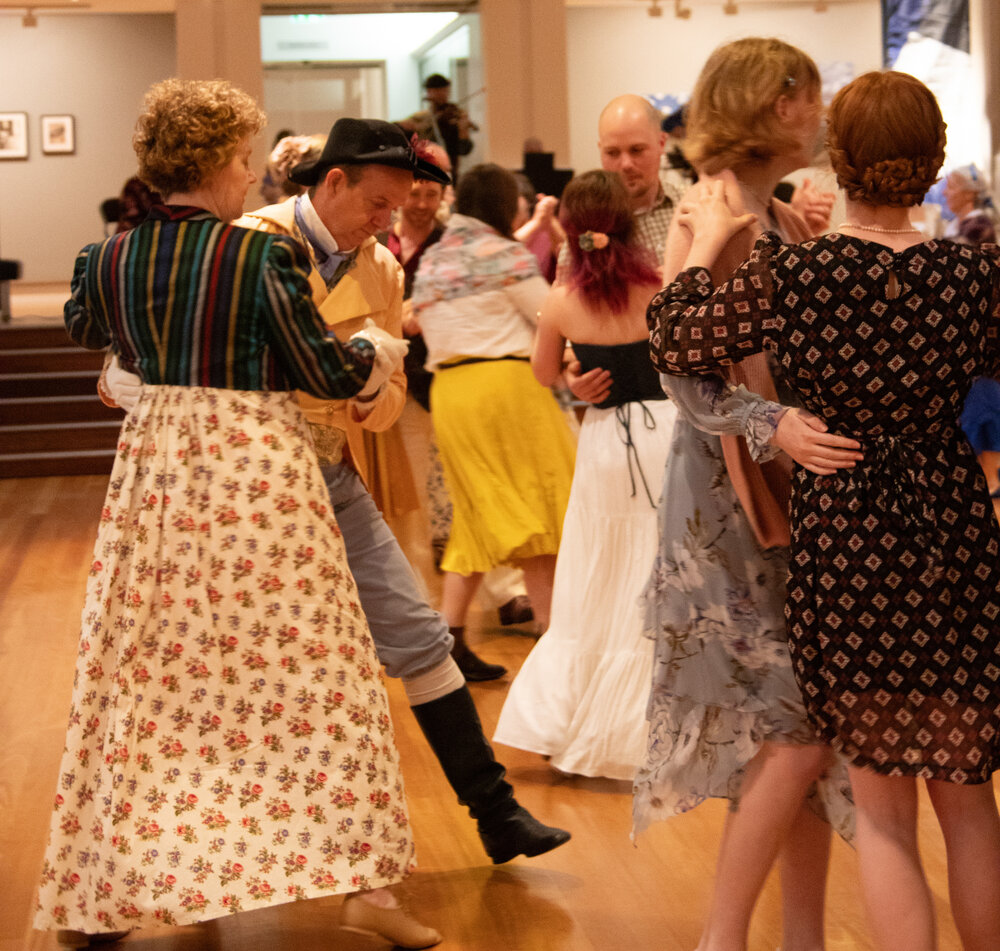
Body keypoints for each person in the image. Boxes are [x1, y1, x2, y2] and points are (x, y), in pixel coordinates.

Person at [33, 79, 441, 950]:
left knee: (152, 681)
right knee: (317, 678)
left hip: (157, 474)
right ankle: (358, 881)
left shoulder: (107, 257)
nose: (248, 171)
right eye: (244, 156)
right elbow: (322, 376)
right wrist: (370, 351)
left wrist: (152, 348)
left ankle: (114, 891)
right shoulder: (258, 258)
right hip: (258, 476)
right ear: (222, 162)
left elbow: (82, 328)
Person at [107, 118, 571, 864]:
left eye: (399, 208)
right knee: (238, 660)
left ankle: (496, 810)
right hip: (241, 485)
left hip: (330, 465)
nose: (387, 223)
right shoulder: (246, 242)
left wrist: (364, 394)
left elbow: (384, 399)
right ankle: (208, 846)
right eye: (379, 204)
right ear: (333, 183)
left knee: (416, 630)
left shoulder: (381, 268)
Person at [649, 69, 1000, 951]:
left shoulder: (796, 276)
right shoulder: (971, 275)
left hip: (846, 535)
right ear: (935, 160)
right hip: (952, 524)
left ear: (839, 162)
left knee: (883, 813)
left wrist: (698, 247)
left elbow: (675, 335)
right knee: (970, 807)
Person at [633, 38, 860, 951]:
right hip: (734, 500)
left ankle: (796, 936)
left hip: (779, 491)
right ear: (778, 103)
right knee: (799, 732)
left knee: (807, 736)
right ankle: (723, 938)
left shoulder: (763, 208)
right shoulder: (716, 207)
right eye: (811, 95)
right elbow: (683, 375)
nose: (822, 110)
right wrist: (778, 426)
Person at [493, 169, 677, 779]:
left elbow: (543, 373)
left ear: (570, 231)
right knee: (659, 563)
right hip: (666, 437)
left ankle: (575, 722)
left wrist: (577, 381)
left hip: (605, 446)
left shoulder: (561, 299)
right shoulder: (661, 287)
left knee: (596, 574)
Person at [412, 163, 577, 643]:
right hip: (507, 389)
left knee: (475, 512)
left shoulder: (434, 258)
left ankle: (452, 638)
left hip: (451, 394)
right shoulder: (504, 256)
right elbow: (551, 317)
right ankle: (552, 635)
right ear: (505, 205)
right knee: (542, 508)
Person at [387, 161, 535, 632]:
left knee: (476, 501)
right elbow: (546, 312)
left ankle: (474, 615)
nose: (424, 203)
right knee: (513, 506)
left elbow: (417, 316)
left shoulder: (442, 250)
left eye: (433, 194)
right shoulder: (387, 244)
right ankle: (434, 610)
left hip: (446, 384)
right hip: (437, 385)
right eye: (416, 193)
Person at [561, 93, 684, 405]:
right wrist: (569, 370)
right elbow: (565, 301)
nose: (625, 164)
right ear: (600, 151)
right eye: (613, 153)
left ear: (661, 143)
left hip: (694, 393)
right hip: (618, 399)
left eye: (637, 150)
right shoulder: (584, 227)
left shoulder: (691, 212)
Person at [399, 73, 474, 178]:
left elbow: (465, 150)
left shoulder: (455, 115)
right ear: (429, 92)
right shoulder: (420, 117)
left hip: (451, 171)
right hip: (426, 171)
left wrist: (463, 131)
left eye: (446, 91)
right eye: (439, 91)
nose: (444, 95)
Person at [942, 164, 997, 245]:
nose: (944, 192)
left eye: (951, 187)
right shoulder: (954, 225)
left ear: (969, 194)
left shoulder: (979, 228)